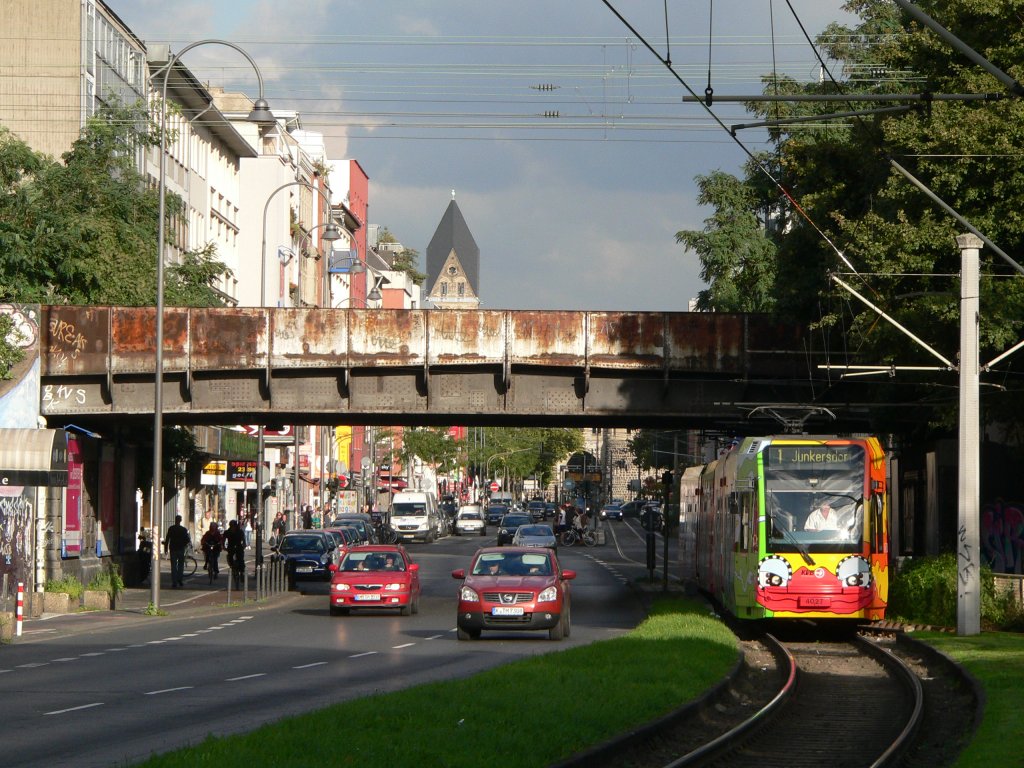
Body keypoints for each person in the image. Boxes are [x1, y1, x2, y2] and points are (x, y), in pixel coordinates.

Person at [163, 514, 192, 588]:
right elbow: (187, 539)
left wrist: (165, 549)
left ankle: (174, 581)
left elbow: (167, 539)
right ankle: (180, 579)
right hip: (180, 549)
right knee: (180, 565)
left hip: (173, 549)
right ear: (180, 520)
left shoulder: (171, 528)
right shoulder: (183, 529)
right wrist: (184, 544)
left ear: (175, 520)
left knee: (173, 566)